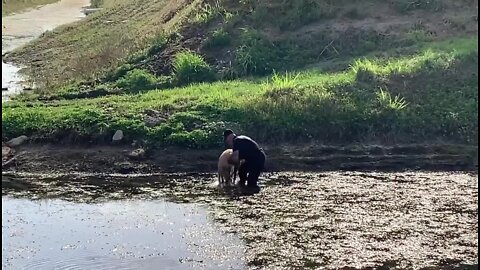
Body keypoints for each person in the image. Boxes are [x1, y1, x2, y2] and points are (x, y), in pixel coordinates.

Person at [223, 129, 266, 194]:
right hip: (251, 159)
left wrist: (228, 164)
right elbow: (238, 161)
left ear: (229, 137)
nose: (228, 143)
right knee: (242, 172)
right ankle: (242, 188)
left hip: (258, 158)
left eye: (227, 140)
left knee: (251, 182)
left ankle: (254, 193)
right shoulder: (240, 139)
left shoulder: (236, 141)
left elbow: (234, 160)